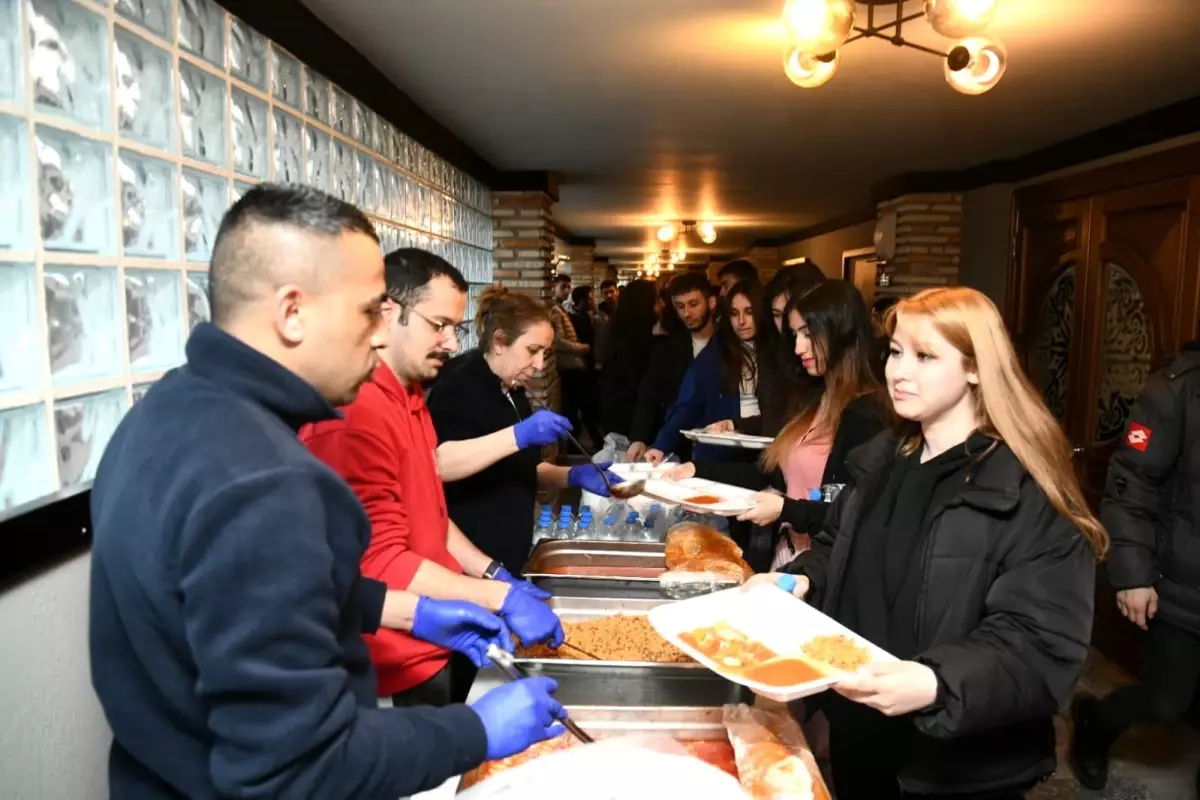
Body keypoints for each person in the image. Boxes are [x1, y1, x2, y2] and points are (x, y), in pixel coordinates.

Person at [88, 185, 565, 799]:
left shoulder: (165, 411)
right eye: (369, 311)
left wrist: (404, 610)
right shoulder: (263, 480)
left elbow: (235, 592)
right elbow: (298, 765)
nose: (378, 333)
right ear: (293, 312)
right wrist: (472, 730)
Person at [755, 286, 1106, 799]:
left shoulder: (1024, 487)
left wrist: (935, 683)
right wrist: (802, 578)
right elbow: (839, 547)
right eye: (896, 352)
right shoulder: (879, 460)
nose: (899, 372)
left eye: (925, 356)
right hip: (861, 734)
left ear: (975, 368)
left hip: (955, 767)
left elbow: (1040, 642)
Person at [301, 249, 565, 708]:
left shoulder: (412, 395)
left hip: (424, 648)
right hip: (381, 659)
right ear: (388, 313)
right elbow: (378, 558)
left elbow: (430, 512)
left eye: (454, 329)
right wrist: (496, 595)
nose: (450, 342)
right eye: (438, 324)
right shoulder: (358, 408)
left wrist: (490, 570)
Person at [667, 280, 888, 570]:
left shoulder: (865, 414)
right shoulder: (814, 398)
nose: (798, 347)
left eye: (808, 334)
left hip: (824, 568)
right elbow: (768, 473)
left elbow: (855, 514)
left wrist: (785, 508)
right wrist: (697, 470)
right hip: (792, 557)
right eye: (795, 335)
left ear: (840, 332)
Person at [1070, 339, 1200, 793]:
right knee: (1166, 699)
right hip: (1181, 584)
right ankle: (1095, 723)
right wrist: (1133, 576)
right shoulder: (1175, 391)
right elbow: (1131, 485)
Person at [428, 286, 623, 575]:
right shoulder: (459, 384)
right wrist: (517, 436)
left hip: (509, 545)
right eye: (532, 351)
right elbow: (439, 464)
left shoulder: (512, 386)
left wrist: (572, 475)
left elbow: (520, 466)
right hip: (469, 556)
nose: (540, 365)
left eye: (545, 353)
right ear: (499, 342)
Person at [644, 280, 764, 464]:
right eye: (734, 313)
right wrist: (662, 444)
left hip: (770, 449)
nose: (741, 321)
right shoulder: (717, 351)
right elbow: (689, 403)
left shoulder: (779, 350)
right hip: (725, 454)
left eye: (749, 312)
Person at [626, 272, 718, 461]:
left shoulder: (729, 346)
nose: (687, 313)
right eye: (680, 306)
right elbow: (648, 396)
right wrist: (639, 438)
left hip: (723, 445)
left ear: (711, 303)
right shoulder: (667, 350)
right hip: (679, 446)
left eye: (693, 304)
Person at [598, 279, 661, 439]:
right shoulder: (636, 335)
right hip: (631, 411)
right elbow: (638, 377)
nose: (661, 305)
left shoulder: (619, 327)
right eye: (657, 299)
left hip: (618, 406)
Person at [547, 273, 590, 437]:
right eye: (562, 287)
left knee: (574, 407)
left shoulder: (560, 308)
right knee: (573, 408)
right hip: (569, 365)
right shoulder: (554, 310)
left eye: (568, 287)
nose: (566, 291)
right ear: (553, 287)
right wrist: (581, 348)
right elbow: (558, 341)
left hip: (571, 364)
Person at [567, 284, 604, 445]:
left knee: (590, 407)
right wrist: (584, 348)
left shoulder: (587, 316)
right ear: (582, 300)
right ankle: (594, 441)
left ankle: (596, 440)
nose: (592, 301)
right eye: (589, 298)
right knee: (583, 408)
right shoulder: (573, 319)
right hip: (578, 369)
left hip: (589, 367)